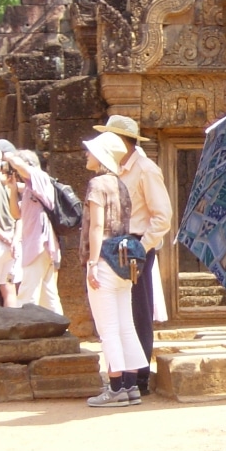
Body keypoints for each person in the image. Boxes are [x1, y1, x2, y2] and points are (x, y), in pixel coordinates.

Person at [93, 115, 171, 395]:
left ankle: (139, 377)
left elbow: (162, 217)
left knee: (137, 311)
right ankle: (126, 375)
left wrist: (143, 247)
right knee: (122, 312)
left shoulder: (146, 170)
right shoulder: (116, 170)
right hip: (117, 247)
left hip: (135, 246)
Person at [80, 132, 149, 407]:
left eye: (90, 151)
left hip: (106, 260)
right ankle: (131, 386)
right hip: (123, 263)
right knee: (125, 325)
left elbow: (97, 227)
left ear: (101, 157)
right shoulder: (121, 185)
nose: (86, 155)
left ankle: (116, 386)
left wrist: (92, 263)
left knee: (108, 327)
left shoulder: (97, 184)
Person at [3, 149, 62, 313]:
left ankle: (24, 332)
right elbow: (16, 213)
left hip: (39, 245)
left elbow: (22, 166)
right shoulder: (31, 189)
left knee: (27, 294)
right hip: (37, 247)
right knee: (47, 296)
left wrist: (8, 155)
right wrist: (13, 188)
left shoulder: (40, 178)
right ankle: (60, 330)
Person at [0, 140, 19, 308]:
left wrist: (2, 237)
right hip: (13, 244)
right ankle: (13, 330)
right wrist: (14, 240)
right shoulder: (10, 181)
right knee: (8, 287)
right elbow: (20, 214)